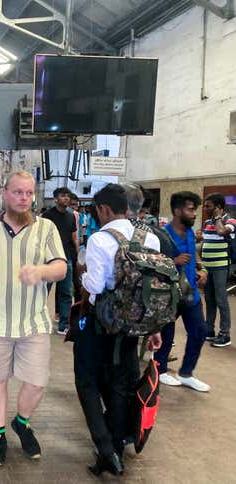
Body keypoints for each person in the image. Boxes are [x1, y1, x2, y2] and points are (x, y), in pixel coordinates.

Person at [0, 171, 67, 467]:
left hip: (33, 321)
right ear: (4, 193)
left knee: (37, 381)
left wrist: (41, 271)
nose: (23, 198)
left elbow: (60, 267)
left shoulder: (46, 228)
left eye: (29, 193)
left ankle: (22, 421)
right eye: (18, 192)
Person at [76, 183, 162, 477]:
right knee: (122, 383)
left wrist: (84, 273)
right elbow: (154, 286)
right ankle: (118, 444)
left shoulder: (101, 239)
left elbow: (96, 287)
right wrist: (154, 327)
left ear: (103, 209)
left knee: (86, 380)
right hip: (136, 324)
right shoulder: (149, 237)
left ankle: (106, 450)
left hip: (104, 323)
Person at [154, 192, 210, 391]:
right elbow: (152, 261)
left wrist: (201, 269)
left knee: (200, 331)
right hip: (169, 294)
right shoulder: (162, 234)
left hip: (190, 293)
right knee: (166, 335)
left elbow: (193, 253)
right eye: (190, 209)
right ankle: (160, 371)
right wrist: (173, 261)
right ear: (177, 211)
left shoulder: (188, 232)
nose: (194, 213)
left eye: (194, 209)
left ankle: (186, 373)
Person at [42, 187, 79, 334]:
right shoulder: (47, 216)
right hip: (49, 260)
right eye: (63, 196)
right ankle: (38, 319)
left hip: (66, 259)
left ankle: (64, 324)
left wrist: (76, 258)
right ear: (55, 199)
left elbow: (74, 238)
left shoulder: (71, 217)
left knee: (66, 293)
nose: (67, 199)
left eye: (68, 196)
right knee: (43, 291)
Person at [202, 193, 235, 347]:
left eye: (208, 206)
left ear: (219, 207)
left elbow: (222, 232)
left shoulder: (230, 220)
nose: (205, 208)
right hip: (207, 267)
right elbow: (205, 241)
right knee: (209, 299)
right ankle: (209, 330)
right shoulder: (207, 222)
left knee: (221, 299)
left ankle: (225, 334)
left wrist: (217, 218)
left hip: (221, 266)